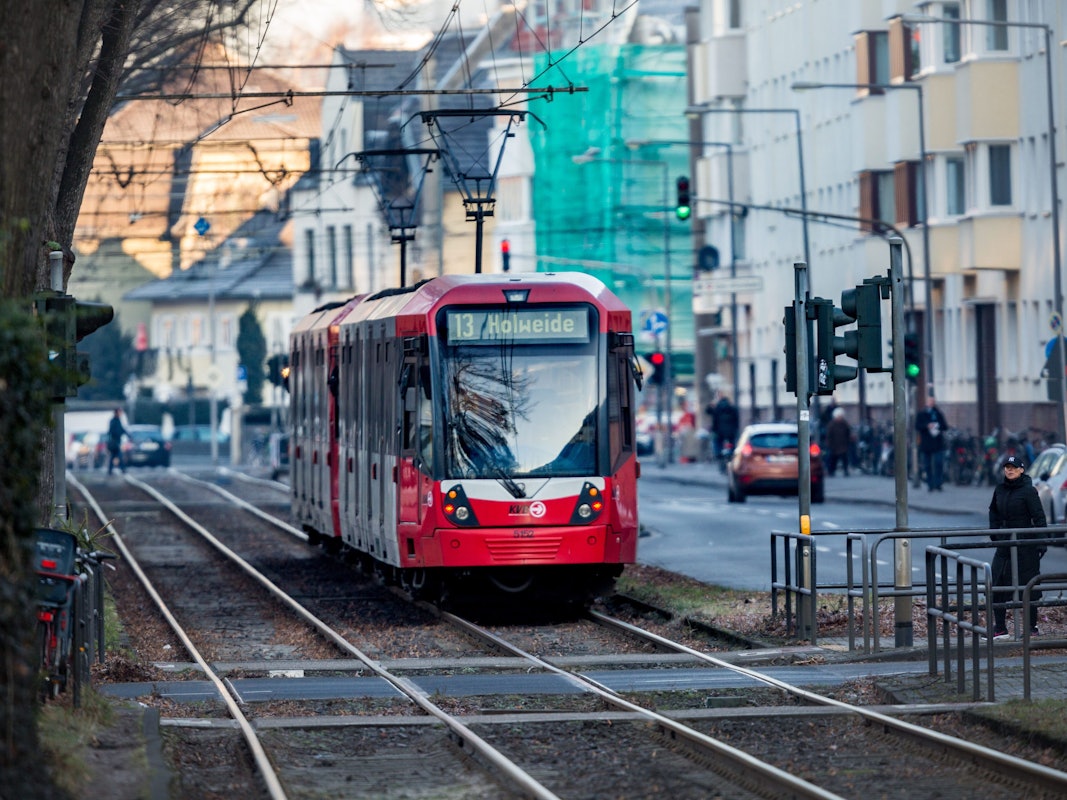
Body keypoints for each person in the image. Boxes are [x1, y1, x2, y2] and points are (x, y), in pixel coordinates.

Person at [988, 455, 1048, 639]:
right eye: (1007, 467)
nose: (1009, 470)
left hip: (1025, 545)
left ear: (1022, 470)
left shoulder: (1029, 491)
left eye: (1013, 467)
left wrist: (1040, 543)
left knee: (1028, 586)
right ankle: (1000, 628)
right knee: (997, 582)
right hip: (1004, 543)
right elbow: (993, 511)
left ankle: (1031, 628)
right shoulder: (999, 489)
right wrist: (995, 534)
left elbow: (1039, 518)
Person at [915, 394, 948, 491]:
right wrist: (927, 426)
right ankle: (930, 484)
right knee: (927, 465)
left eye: (933, 401)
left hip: (937, 442)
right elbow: (917, 426)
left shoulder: (938, 413)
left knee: (938, 463)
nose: (931, 403)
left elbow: (944, 426)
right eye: (930, 401)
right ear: (927, 402)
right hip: (926, 443)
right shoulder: (921, 414)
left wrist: (937, 426)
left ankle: (938, 483)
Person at [707, 392, 740, 471]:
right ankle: (732, 455)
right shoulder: (733, 409)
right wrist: (735, 430)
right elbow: (737, 420)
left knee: (717, 444)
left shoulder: (717, 408)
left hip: (719, 433)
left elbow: (708, 411)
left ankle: (718, 454)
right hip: (731, 433)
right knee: (732, 445)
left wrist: (711, 405)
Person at [825, 407, 852, 477]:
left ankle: (846, 470)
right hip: (834, 445)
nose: (840, 418)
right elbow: (829, 435)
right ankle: (831, 471)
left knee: (844, 459)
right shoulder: (831, 425)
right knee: (833, 459)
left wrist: (848, 441)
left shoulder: (845, 424)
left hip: (843, 444)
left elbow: (848, 433)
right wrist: (829, 444)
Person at [106, 409, 129, 475]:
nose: (121, 414)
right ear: (116, 413)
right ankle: (122, 469)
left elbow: (121, 429)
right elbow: (112, 431)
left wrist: (127, 434)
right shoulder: (113, 421)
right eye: (119, 412)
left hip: (117, 442)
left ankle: (111, 470)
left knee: (114, 456)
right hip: (114, 442)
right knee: (119, 455)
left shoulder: (118, 420)